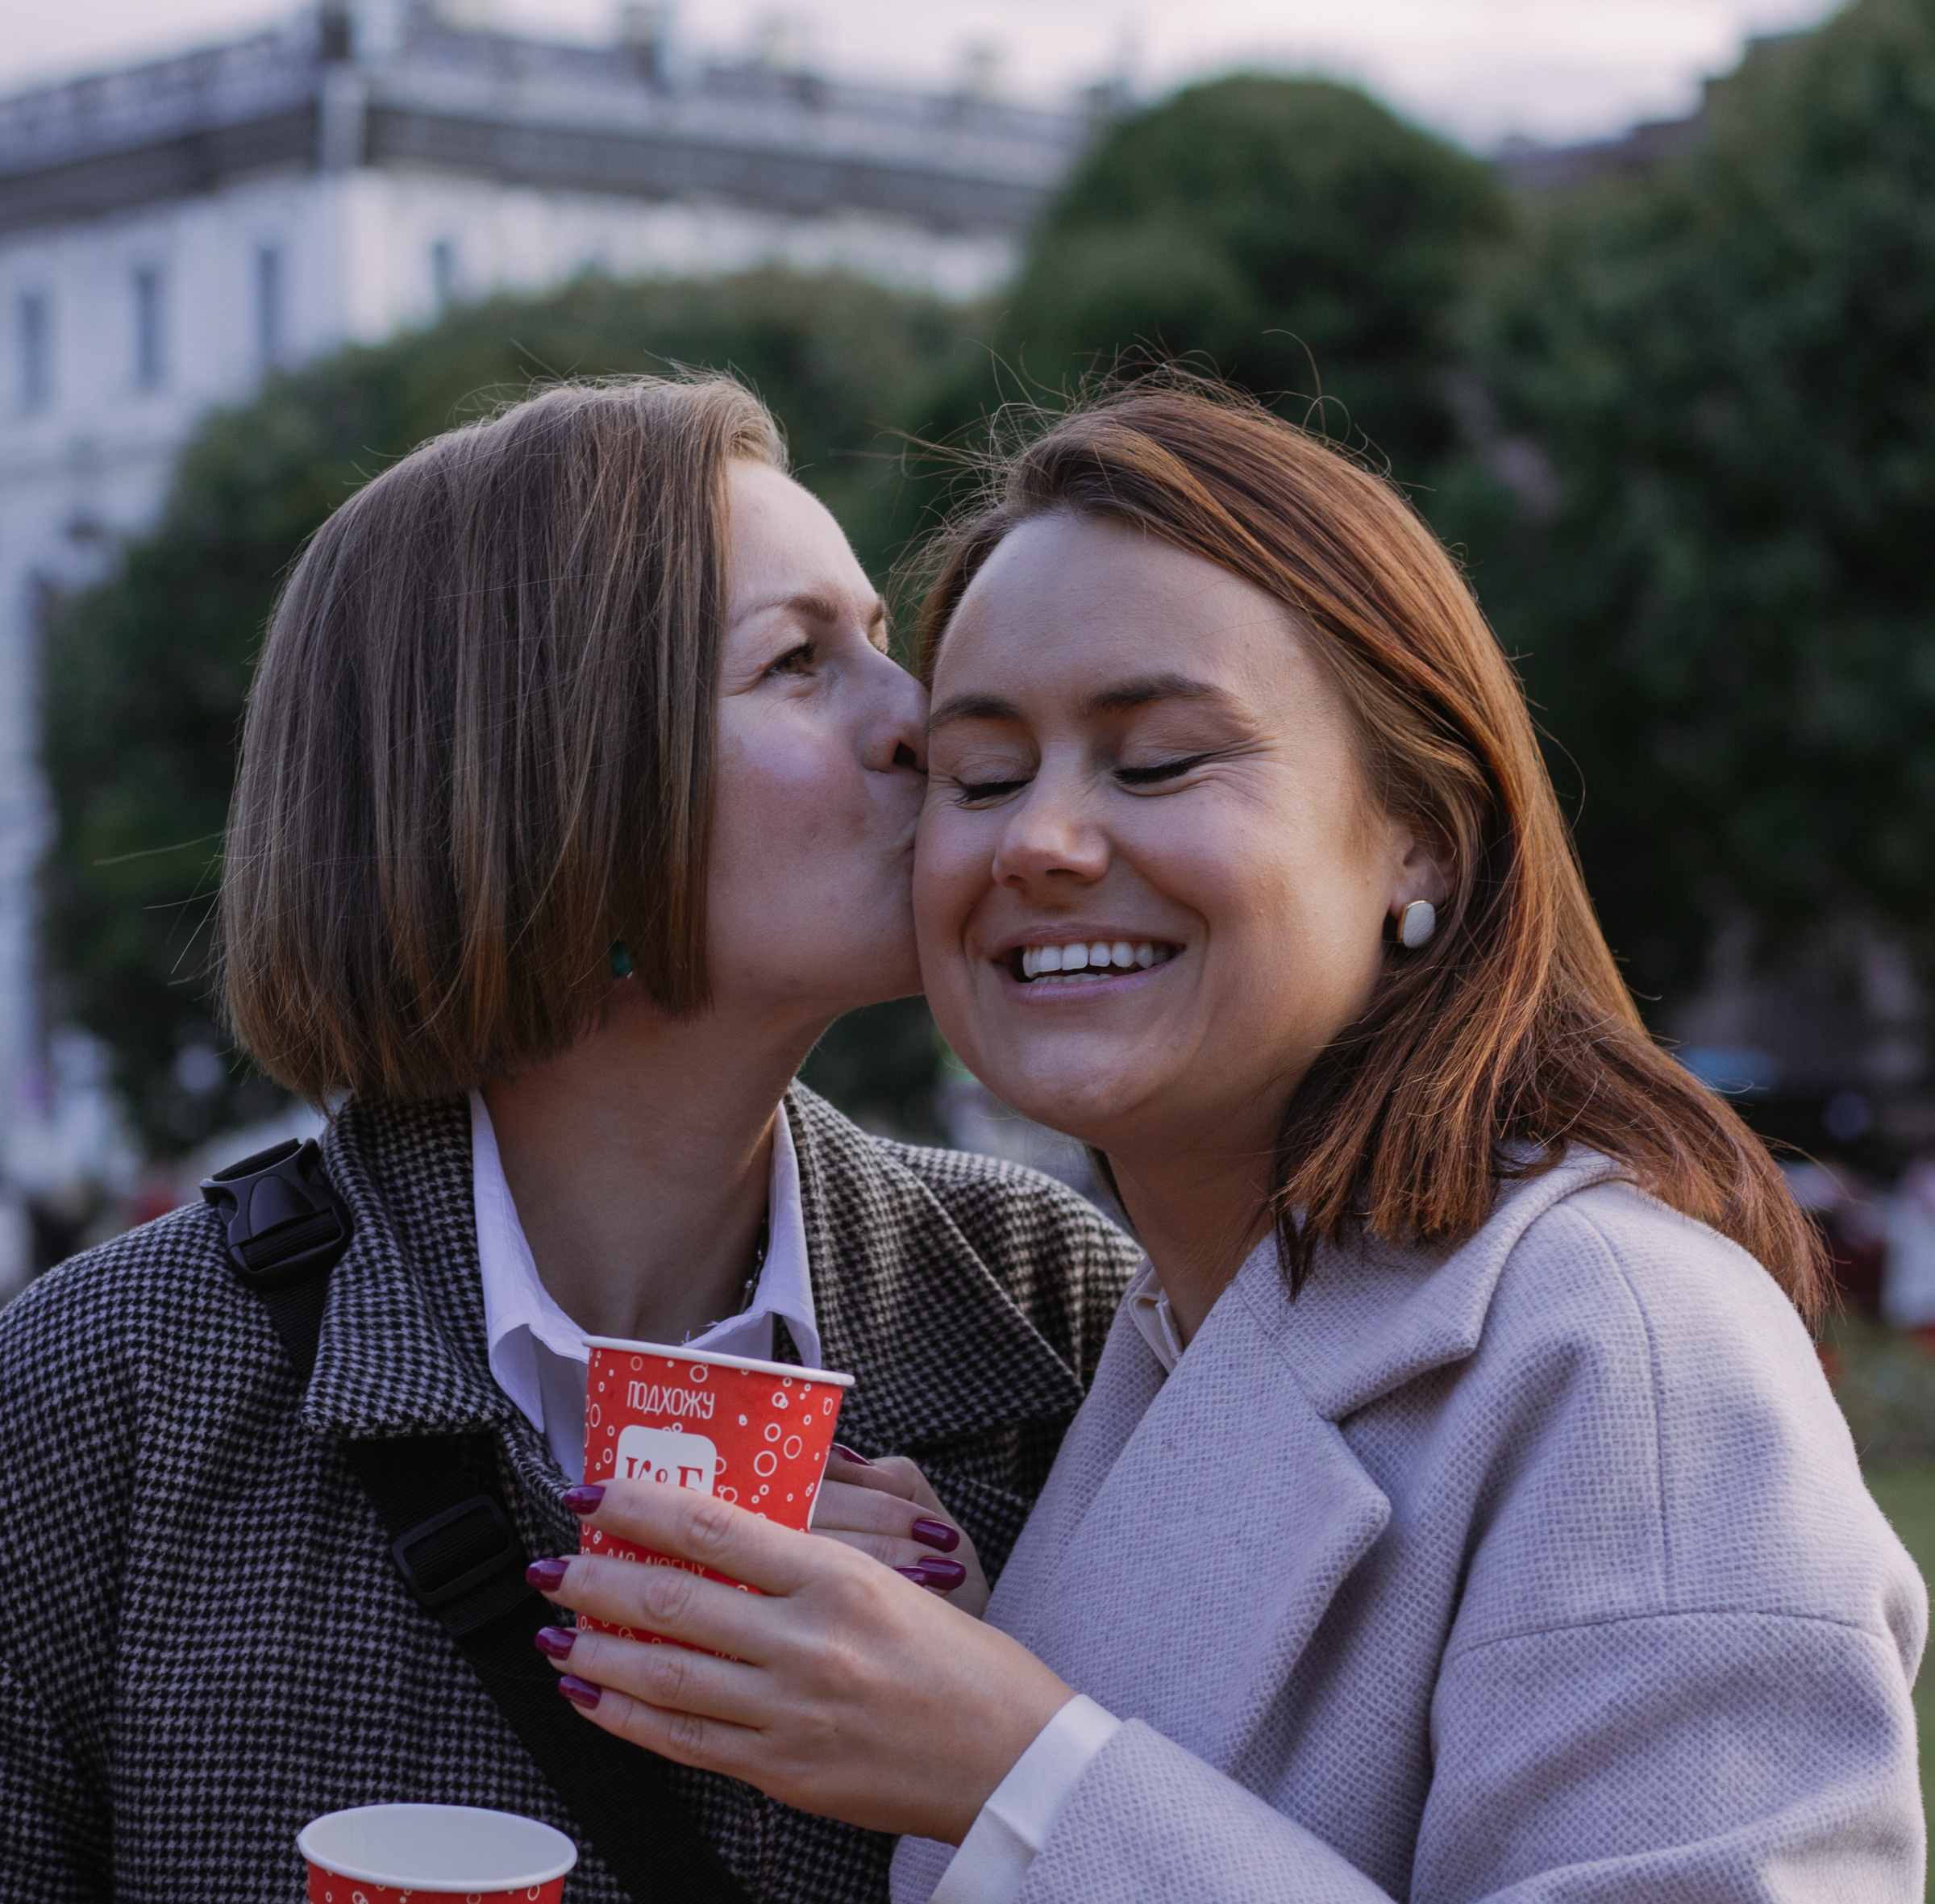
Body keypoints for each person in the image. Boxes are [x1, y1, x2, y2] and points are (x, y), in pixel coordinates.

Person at [522, 379, 1929, 1902]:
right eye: (979, 778)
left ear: (1422, 841)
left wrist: (1011, 1761)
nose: (1043, 842)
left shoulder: (1624, 1342)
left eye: (1158, 761)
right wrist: (969, 1642)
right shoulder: (1153, 1333)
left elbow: (1076, 1790)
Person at [0, 376, 1140, 1902]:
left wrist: (1003, 1690)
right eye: (802, 663)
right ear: (551, 783)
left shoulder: (1053, 1297)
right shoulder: (109, 1387)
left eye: (886, 642)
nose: (922, 721)